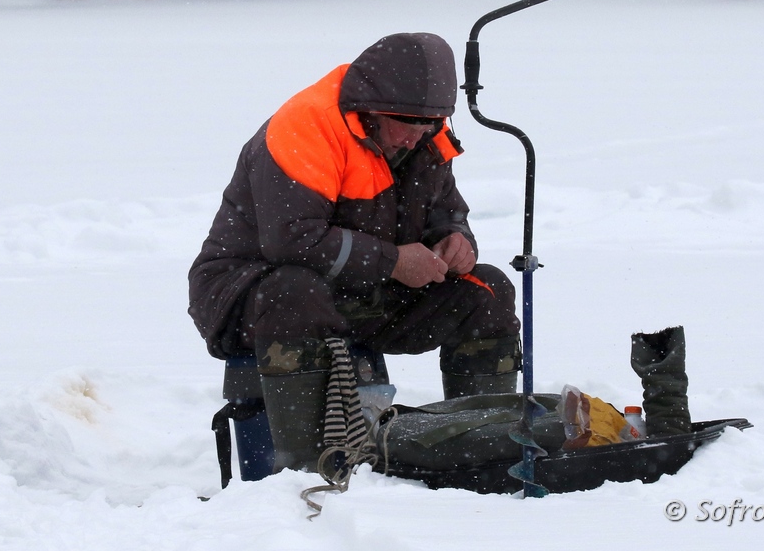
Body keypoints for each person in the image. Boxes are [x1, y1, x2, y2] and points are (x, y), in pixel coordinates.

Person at [188, 32, 521, 472]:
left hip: (362, 291)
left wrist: (455, 240)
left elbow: (447, 210)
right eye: (410, 125)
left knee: (487, 287)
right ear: (374, 109)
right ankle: (309, 473)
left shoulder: (424, 133)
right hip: (246, 295)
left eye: (432, 124)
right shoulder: (305, 127)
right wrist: (396, 261)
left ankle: (479, 448)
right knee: (295, 290)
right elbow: (291, 240)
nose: (419, 137)